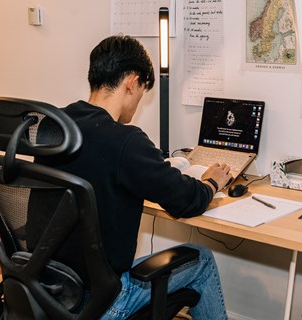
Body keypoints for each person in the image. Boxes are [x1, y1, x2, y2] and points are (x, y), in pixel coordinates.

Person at [51, 34, 232, 319]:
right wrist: (211, 182)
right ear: (132, 83)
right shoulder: (125, 141)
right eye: (142, 94)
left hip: (50, 291)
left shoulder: (57, 126)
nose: (137, 107)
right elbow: (186, 201)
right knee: (203, 259)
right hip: (105, 301)